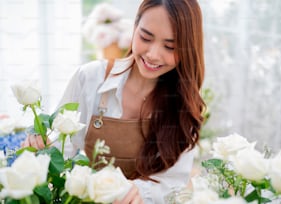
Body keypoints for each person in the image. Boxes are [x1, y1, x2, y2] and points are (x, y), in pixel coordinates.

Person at [22, 0, 206, 203]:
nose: (153, 55)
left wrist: (136, 190)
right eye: (145, 37)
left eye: (170, 47)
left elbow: (173, 185)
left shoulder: (183, 106)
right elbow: (60, 148)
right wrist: (40, 145)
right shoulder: (90, 78)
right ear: (134, 28)